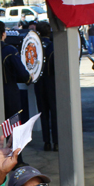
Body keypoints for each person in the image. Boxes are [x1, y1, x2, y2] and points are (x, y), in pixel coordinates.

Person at [34, 22, 58, 151]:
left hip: (39, 82)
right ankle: (56, 141)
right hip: (51, 81)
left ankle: (46, 142)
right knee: (54, 113)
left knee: (43, 114)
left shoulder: (35, 46)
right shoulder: (53, 47)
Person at [0, 27, 30, 122]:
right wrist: (29, 78)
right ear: (4, 34)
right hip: (10, 92)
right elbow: (22, 73)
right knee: (13, 125)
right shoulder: (10, 50)